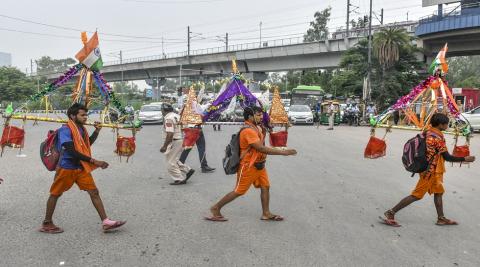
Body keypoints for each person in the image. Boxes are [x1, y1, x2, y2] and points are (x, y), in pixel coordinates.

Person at [40, 103, 126, 234]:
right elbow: (71, 150)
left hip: (80, 167)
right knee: (55, 194)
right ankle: (47, 223)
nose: (85, 117)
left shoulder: (81, 129)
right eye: (82, 115)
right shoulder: (65, 129)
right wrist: (94, 161)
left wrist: (96, 131)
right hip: (66, 168)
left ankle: (106, 222)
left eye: (86, 115)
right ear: (73, 116)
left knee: (94, 192)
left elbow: (86, 145)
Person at [206, 106, 297, 222]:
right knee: (239, 191)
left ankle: (266, 213)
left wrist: (285, 126)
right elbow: (261, 148)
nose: (261, 117)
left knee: (265, 187)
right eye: (258, 115)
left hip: (260, 165)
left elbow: (269, 127)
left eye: (261, 115)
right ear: (250, 116)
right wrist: (284, 152)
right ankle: (215, 208)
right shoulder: (248, 130)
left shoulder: (256, 127)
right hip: (248, 166)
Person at [382, 113, 476, 226]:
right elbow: (447, 157)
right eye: (446, 124)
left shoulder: (428, 132)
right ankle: (390, 212)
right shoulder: (437, 138)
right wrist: (465, 158)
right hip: (430, 171)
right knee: (416, 195)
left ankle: (441, 218)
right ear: (441, 125)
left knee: (438, 192)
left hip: (432, 170)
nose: (447, 126)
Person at [160, 103, 195, 185]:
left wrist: (164, 146)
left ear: (163, 110)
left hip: (174, 141)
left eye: (161, 110)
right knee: (174, 159)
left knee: (170, 162)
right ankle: (187, 170)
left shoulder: (168, 118)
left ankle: (179, 179)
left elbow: (170, 134)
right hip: (179, 139)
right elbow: (184, 128)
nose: (161, 111)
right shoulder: (176, 116)